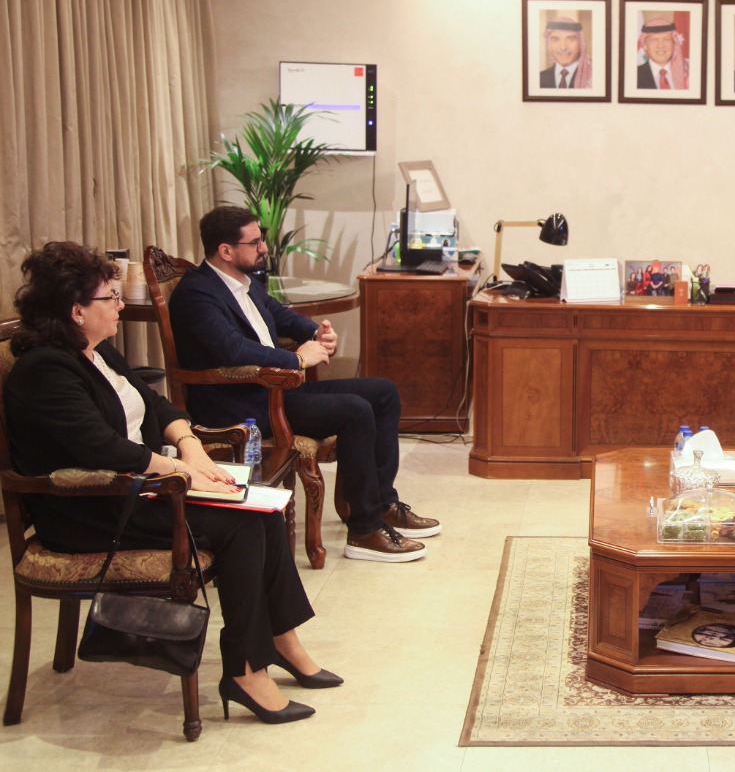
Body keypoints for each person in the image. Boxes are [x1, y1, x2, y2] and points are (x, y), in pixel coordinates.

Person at [3, 241, 338, 724]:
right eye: (110, 298)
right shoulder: (45, 369)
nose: (120, 305)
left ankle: (281, 641)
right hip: (92, 507)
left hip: (138, 487)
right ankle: (246, 670)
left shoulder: (96, 351)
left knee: (262, 508)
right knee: (242, 524)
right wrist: (180, 471)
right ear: (77, 310)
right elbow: (100, 447)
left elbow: (156, 404)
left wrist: (191, 447)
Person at [168, 206, 438, 563]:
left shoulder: (243, 282)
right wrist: (296, 359)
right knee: (355, 411)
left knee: (382, 392)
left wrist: (315, 334)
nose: (264, 248)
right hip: (242, 403)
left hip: (274, 390)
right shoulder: (196, 294)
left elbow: (279, 314)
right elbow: (231, 349)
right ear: (226, 251)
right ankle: (363, 530)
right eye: (255, 242)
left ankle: (383, 503)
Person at [538, 17, 593, 89]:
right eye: (555, 40)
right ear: (549, 44)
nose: (563, 47)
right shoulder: (539, 79)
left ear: (581, 43)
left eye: (571, 39)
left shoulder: (593, 78)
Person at [636, 17, 688, 90]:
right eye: (654, 40)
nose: (660, 45)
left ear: (674, 43)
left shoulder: (688, 74)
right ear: (645, 45)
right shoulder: (633, 76)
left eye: (666, 39)